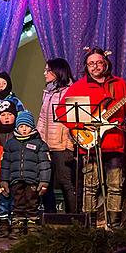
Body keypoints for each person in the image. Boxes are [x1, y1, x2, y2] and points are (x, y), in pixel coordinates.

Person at [57, 48, 126, 227]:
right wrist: (82, 125)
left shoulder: (119, 84)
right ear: (86, 66)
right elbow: (61, 112)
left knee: (115, 186)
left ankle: (113, 225)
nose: (95, 66)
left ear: (105, 63)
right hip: (88, 144)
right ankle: (88, 226)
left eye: (98, 62)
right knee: (90, 187)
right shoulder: (79, 86)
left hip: (114, 144)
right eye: (91, 63)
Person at [1, 111, 51, 237]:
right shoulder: (11, 144)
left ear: (32, 127)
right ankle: (18, 227)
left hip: (32, 180)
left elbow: (45, 164)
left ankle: (32, 227)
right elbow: (5, 164)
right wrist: (4, 181)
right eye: (21, 126)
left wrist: (44, 181)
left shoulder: (39, 144)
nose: (24, 129)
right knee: (18, 203)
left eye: (27, 126)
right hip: (16, 180)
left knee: (32, 203)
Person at [37, 58, 76, 214]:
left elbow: (71, 121)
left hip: (61, 145)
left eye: (48, 70)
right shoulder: (47, 92)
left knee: (66, 182)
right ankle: (51, 216)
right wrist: (38, 141)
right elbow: (42, 118)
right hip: (46, 145)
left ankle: (72, 218)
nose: (45, 73)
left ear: (58, 72)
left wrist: (69, 145)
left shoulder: (70, 91)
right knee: (47, 182)